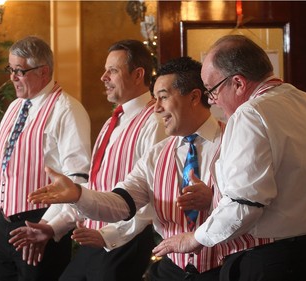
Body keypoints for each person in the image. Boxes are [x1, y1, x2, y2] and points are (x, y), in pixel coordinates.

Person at [28, 56, 273, 281]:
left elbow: (258, 202)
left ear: (195, 97)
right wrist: (78, 195)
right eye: (155, 99)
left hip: (225, 270)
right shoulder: (157, 154)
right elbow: (121, 203)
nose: (156, 108)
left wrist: (213, 200)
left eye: (164, 97)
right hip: (172, 270)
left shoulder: (234, 140)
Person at [152, 34, 306, 281]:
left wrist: (195, 238)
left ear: (238, 83)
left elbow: (246, 202)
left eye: (212, 89)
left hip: (275, 262)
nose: (212, 100)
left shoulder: (250, 114)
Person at [10, 39, 167, 281]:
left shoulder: (154, 122)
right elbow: (93, 187)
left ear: (138, 75)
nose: (104, 77)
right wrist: (53, 227)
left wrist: (109, 236)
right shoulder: (113, 121)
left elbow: (152, 196)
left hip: (124, 242)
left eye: (113, 71)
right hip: (94, 239)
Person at [0, 36, 92, 281]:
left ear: (43, 71)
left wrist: (47, 229)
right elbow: (7, 170)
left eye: (19, 71)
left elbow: (77, 180)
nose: (12, 77)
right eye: (11, 70)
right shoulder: (13, 108)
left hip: (41, 227)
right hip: (5, 228)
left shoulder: (68, 110)